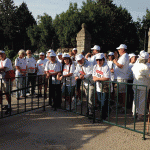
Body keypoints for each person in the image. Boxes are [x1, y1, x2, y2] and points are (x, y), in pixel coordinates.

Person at [132, 52, 150, 120]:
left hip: (136, 84)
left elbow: (133, 72)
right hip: (143, 85)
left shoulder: (136, 65)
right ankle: (140, 115)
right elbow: (148, 76)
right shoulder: (145, 67)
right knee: (142, 100)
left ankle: (134, 113)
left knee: (135, 99)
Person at [93, 53, 111, 120]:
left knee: (103, 102)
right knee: (100, 102)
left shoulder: (106, 67)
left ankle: (103, 116)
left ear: (103, 60)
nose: (98, 62)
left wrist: (97, 78)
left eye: (100, 60)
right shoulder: (95, 66)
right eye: (97, 60)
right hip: (98, 87)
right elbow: (94, 76)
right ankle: (104, 113)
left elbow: (106, 78)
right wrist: (99, 78)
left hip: (105, 87)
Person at [113, 44, 129, 112]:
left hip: (122, 78)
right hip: (120, 77)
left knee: (122, 93)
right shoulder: (123, 56)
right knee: (120, 93)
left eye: (119, 49)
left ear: (122, 49)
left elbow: (120, 65)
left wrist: (115, 62)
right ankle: (120, 105)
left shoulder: (124, 56)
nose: (118, 50)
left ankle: (123, 107)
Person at [0, 50, 13, 114]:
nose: (0, 55)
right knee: (1, 93)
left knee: (7, 93)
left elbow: (4, 68)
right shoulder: (0, 61)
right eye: (0, 54)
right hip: (1, 79)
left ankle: (9, 106)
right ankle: (3, 105)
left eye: (2, 54)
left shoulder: (7, 60)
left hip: (7, 79)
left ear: (4, 54)